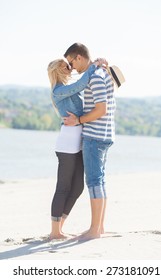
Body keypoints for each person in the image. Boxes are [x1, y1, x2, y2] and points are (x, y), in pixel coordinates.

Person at [47, 57, 107, 240]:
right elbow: (80, 85)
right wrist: (92, 67)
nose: (70, 68)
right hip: (67, 143)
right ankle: (54, 232)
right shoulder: (58, 90)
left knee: (78, 187)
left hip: (80, 141)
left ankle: (60, 227)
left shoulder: (66, 89)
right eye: (66, 66)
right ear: (58, 70)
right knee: (63, 187)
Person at [63, 43, 116, 241]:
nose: (71, 68)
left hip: (95, 136)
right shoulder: (101, 73)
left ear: (78, 57)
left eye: (70, 62)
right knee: (100, 180)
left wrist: (78, 120)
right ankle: (99, 227)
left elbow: (100, 109)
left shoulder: (94, 77)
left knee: (94, 181)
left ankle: (94, 230)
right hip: (105, 134)